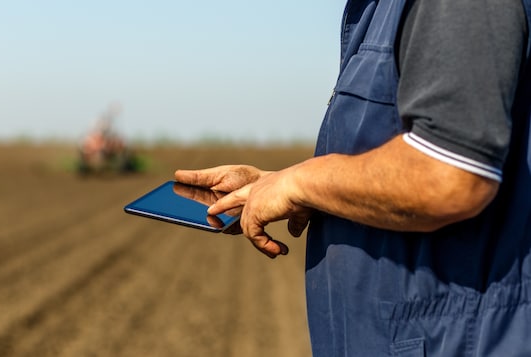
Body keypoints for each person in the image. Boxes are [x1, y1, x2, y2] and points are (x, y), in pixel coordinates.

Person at [175, 0, 531, 355]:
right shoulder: (379, 11)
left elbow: (449, 177)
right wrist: (277, 184)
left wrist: (300, 183)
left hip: (454, 340)